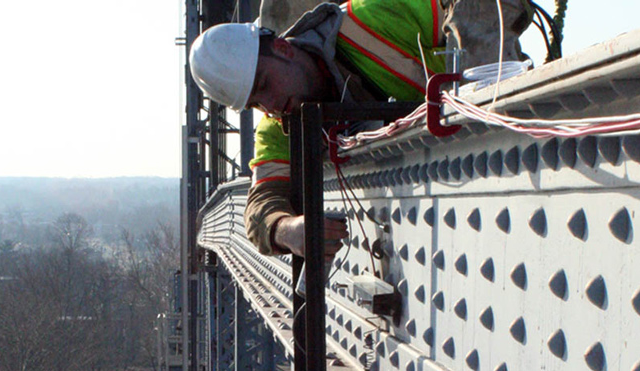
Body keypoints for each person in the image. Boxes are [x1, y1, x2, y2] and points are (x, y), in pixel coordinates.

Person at [189, 0, 529, 257]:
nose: (270, 105)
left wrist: (481, 88)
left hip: (505, 158)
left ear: (282, 48)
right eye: (255, 104)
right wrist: (285, 228)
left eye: (264, 85)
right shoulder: (278, 127)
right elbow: (260, 204)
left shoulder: (372, 18)